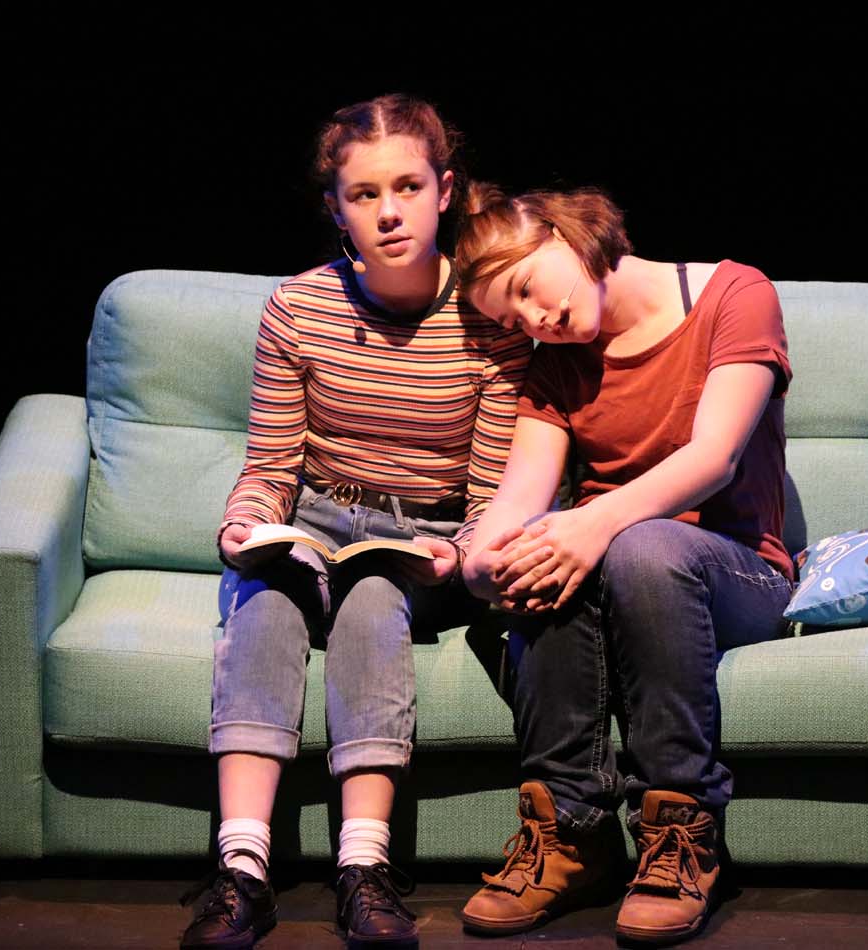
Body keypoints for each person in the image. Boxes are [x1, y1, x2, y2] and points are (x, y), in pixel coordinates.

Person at [179, 96, 531, 950]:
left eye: (407, 187)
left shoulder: (486, 316)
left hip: (423, 539)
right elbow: (272, 466)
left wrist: (456, 554)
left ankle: (364, 868)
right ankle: (242, 868)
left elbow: (492, 495)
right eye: (364, 194)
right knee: (265, 596)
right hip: (315, 519)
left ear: (445, 190)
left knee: (372, 596)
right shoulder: (299, 307)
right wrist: (245, 524)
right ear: (336, 209)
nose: (389, 212)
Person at [451, 183, 794, 944]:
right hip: (614, 567)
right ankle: (569, 834)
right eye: (512, 321)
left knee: (635, 544)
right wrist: (484, 561)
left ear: (563, 234)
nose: (535, 321)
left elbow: (714, 458)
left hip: (738, 571)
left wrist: (591, 525)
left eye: (526, 290)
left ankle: (680, 829)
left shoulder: (734, 294)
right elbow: (518, 497)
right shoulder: (556, 366)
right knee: (544, 556)